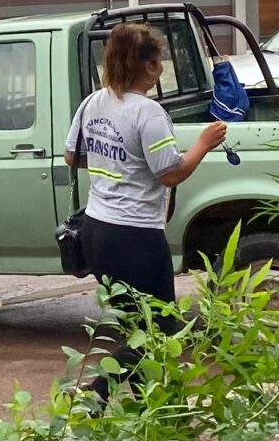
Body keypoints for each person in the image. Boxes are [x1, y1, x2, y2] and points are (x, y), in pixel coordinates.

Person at [63, 22, 227, 362]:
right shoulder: (149, 113)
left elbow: (71, 155)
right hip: (135, 238)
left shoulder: (93, 102)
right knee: (157, 329)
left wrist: (113, 165)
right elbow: (171, 174)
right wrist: (204, 144)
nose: (162, 67)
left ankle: (142, 410)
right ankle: (96, 396)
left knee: (133, 327)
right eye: (159, 60)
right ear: (148, 65)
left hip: (96, 233)